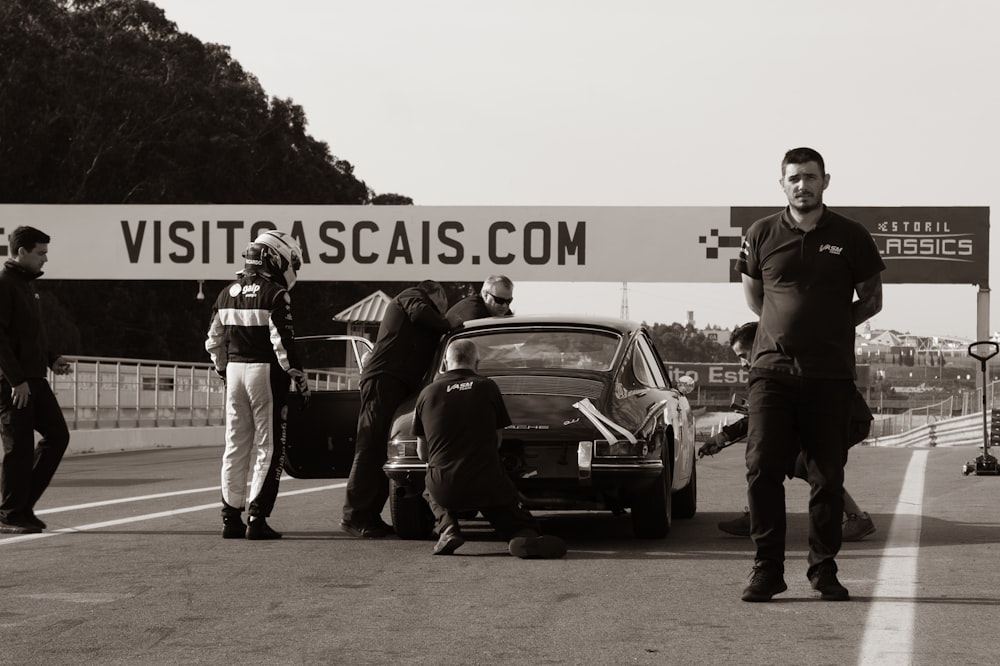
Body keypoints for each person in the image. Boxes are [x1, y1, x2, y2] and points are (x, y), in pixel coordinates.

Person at [734, 147, 885, 602]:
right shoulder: (761, 233)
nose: (803, 185)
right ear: (782, 183)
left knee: (826, 476)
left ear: (826, 181)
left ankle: (824, 570)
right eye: (794, 178)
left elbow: (873, 300)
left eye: (811, 177)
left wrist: (829, 330)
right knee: (762, 469)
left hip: (829, 375)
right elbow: (755, 300)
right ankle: (767, 569)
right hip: (771, 372)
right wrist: (785, 334)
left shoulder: (852, 235)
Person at [699, 321, 876, 542]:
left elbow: (759, 416)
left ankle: (857, 518)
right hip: (829, 418)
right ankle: (758, 515)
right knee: (781, 458)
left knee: (803, 463)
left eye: (743, 355)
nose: (743, 364)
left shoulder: (778, 365)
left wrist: (722, 436)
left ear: (759, 345)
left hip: (844, 419)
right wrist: (723, 436)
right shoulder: (780, 358)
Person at [414, 339, 566, 559]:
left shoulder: (427, 393)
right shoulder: (487, 387)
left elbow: (422, 453)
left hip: (445, 488)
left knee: (430, 484)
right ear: (477, 362)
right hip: (487, 485)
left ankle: (447, 527)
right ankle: (520, 537)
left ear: (446, 363)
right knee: (511, 511)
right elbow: (497, 440)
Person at [205, 230, 310, 541]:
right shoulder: (276, 295)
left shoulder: (225, 293)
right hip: (264, 373)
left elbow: (213, 342)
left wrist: (223, 371)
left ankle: (229, 517)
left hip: (234, 373)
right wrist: (299, 378)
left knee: (235, 446)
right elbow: (283, 343)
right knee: (269, 446)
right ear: (275, 258)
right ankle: (257, 517)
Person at [341, 280, 451, 538]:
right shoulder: (412, 296)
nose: (443, 312)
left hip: (393, 383)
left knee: (381, 450)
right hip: (383, 380)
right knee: (370, 447)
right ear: (438, 295)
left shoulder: (422, 310)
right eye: (443, 306)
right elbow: (420, 312)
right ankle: (354, 516)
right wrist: (448, 324)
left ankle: (368, 516)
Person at [0, 226, 72, 534]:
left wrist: (52, 358)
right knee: (19, 448)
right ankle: (10, 513)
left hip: (34, 377)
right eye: (40, 253)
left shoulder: (28, 286)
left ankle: (22, 505)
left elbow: (31, 334)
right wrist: (16, 380)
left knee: (58, 436)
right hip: (13, 382)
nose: (45, 258)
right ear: (21, 252)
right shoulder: (4, 285)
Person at [445, 274, 514, 327]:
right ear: (485, 295)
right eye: (499, 300)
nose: (505, 306)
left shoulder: (502, 311)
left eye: (508, 301)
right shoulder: (474, 313)